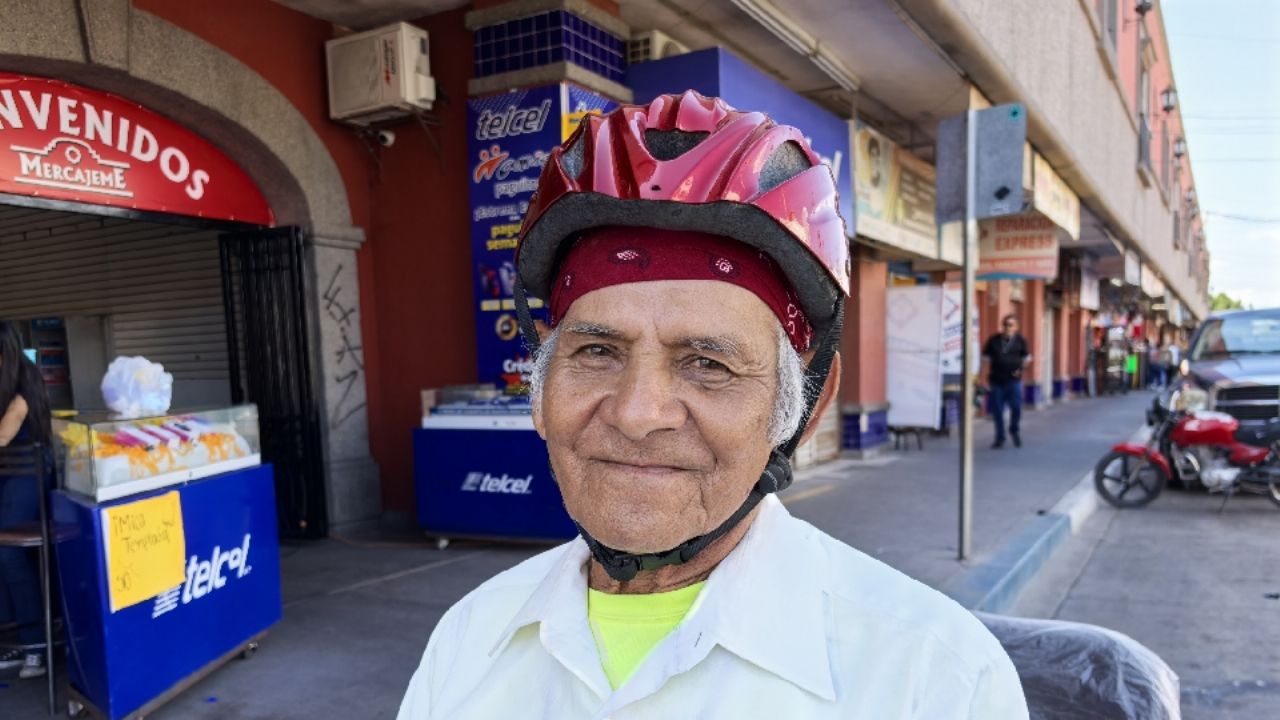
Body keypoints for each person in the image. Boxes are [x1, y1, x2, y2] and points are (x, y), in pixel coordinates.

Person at [398, 92, 1027, 719]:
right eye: (596, 352)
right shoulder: (470, 639)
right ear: (539, 389)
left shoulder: (935, 678)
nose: (637, 414)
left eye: (708, 364)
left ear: (806, 404)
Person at [0, 321, 52, 679]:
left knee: (10, 553)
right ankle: (15, 638)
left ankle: (36, 645)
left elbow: (2, 436)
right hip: (6, 478)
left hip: (26, 477)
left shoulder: (24, 388)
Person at [982, 315, 1030, 449]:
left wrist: (1020, 370)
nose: (1007, 327)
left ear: (1016, 327)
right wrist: (983, 379)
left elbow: (1027, 358)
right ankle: (1000, 438)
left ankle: (1014, 430)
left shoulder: (1020, 340)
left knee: (1016, 407)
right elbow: (986, 360)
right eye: (1005, 324)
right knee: (997, 411)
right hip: (996, 381)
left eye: (1011, 325)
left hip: (1014, 381)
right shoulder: (993, 340)